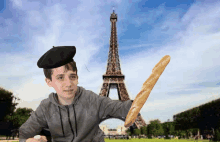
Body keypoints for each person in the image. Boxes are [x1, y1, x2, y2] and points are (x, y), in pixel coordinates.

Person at [19, 46, 134, 142]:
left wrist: (141, 98)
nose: (68, 83)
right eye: (60, 78)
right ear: (49, 82)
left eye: (72, 77)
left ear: (77, 78)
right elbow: (24, 133)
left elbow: (123, 108)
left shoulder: (92, 100)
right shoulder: (45, 108)